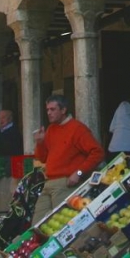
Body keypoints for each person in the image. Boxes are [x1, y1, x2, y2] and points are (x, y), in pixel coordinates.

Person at [31, 95, 104, 224]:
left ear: (63, 110)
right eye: (47, 110)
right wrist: (40, 142)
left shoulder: (77, 128)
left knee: (62, 225)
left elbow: (97, 153)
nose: (49, 113)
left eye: (53, 109)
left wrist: (79, 172)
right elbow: (42, 158)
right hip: (49, 182)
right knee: (37, 224)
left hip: (65, 183)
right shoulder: (51, 129)